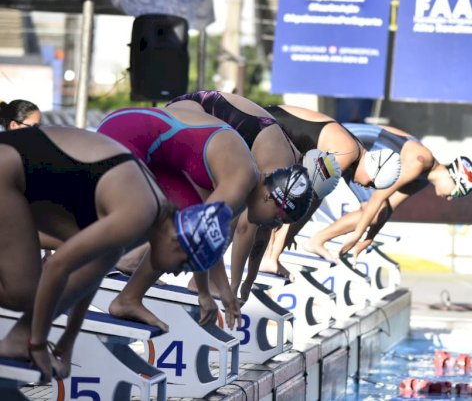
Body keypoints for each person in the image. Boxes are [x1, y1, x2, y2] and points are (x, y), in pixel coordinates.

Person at [0, 125, 232, 383]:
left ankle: (19, 337)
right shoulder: (139, 213)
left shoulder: (148, 219)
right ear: (178, 242)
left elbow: (88, 278)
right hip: (7, 170)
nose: (177, 272)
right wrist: (39, 344)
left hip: (22, 176)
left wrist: (68, 340)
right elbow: (58, 265)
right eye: (185, 266)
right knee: (22, 291)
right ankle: (23, 339)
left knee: (42, 282)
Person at [98, 105, 313, 331]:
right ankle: (64, 258)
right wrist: (204, 294)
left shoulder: (244, 190)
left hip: (156, 150)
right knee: (130, 221)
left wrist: (224, 291)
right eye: (278, 219)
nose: (274, 226)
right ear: (271, 197)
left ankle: (128, 299)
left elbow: (208, 241)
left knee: (176, 227)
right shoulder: (242, 179)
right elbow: (197, 234)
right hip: (128, 132)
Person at [166, 91, 319, 299]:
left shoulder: (284, 180)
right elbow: (245, 229)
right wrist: (234, 285)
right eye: (278, 218)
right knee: (225, 207)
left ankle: (200, 277)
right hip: (186, 112)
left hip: (193, 121)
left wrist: (248, 282)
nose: (276, 224)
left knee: (229, 205)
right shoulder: (277, 165)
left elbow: (263, 230)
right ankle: (196, 278)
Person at [250, 104, 401, 287]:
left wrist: (286, 238)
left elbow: (310, 202)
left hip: (270, 127)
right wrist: (275, 244)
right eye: (371, 183)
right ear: (372, 170)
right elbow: (294, 195)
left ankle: (271, 255)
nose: (367, 187)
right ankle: (266, 257)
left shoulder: (354, 153)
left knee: (309, 197)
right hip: (262, 122)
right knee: (286, 194)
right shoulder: (348, 153)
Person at [304, 122, 472, 262]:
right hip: (350, 139)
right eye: (456, 193)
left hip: (364, 158)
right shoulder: (420, 161)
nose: (450, 199)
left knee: (375, 213)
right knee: (312, 185)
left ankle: (316, 241)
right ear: (453, 177)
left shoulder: (422, 179)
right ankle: (301, 236)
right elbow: (379, 197)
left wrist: (368, 239)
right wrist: (358, 233)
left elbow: (387, 208)